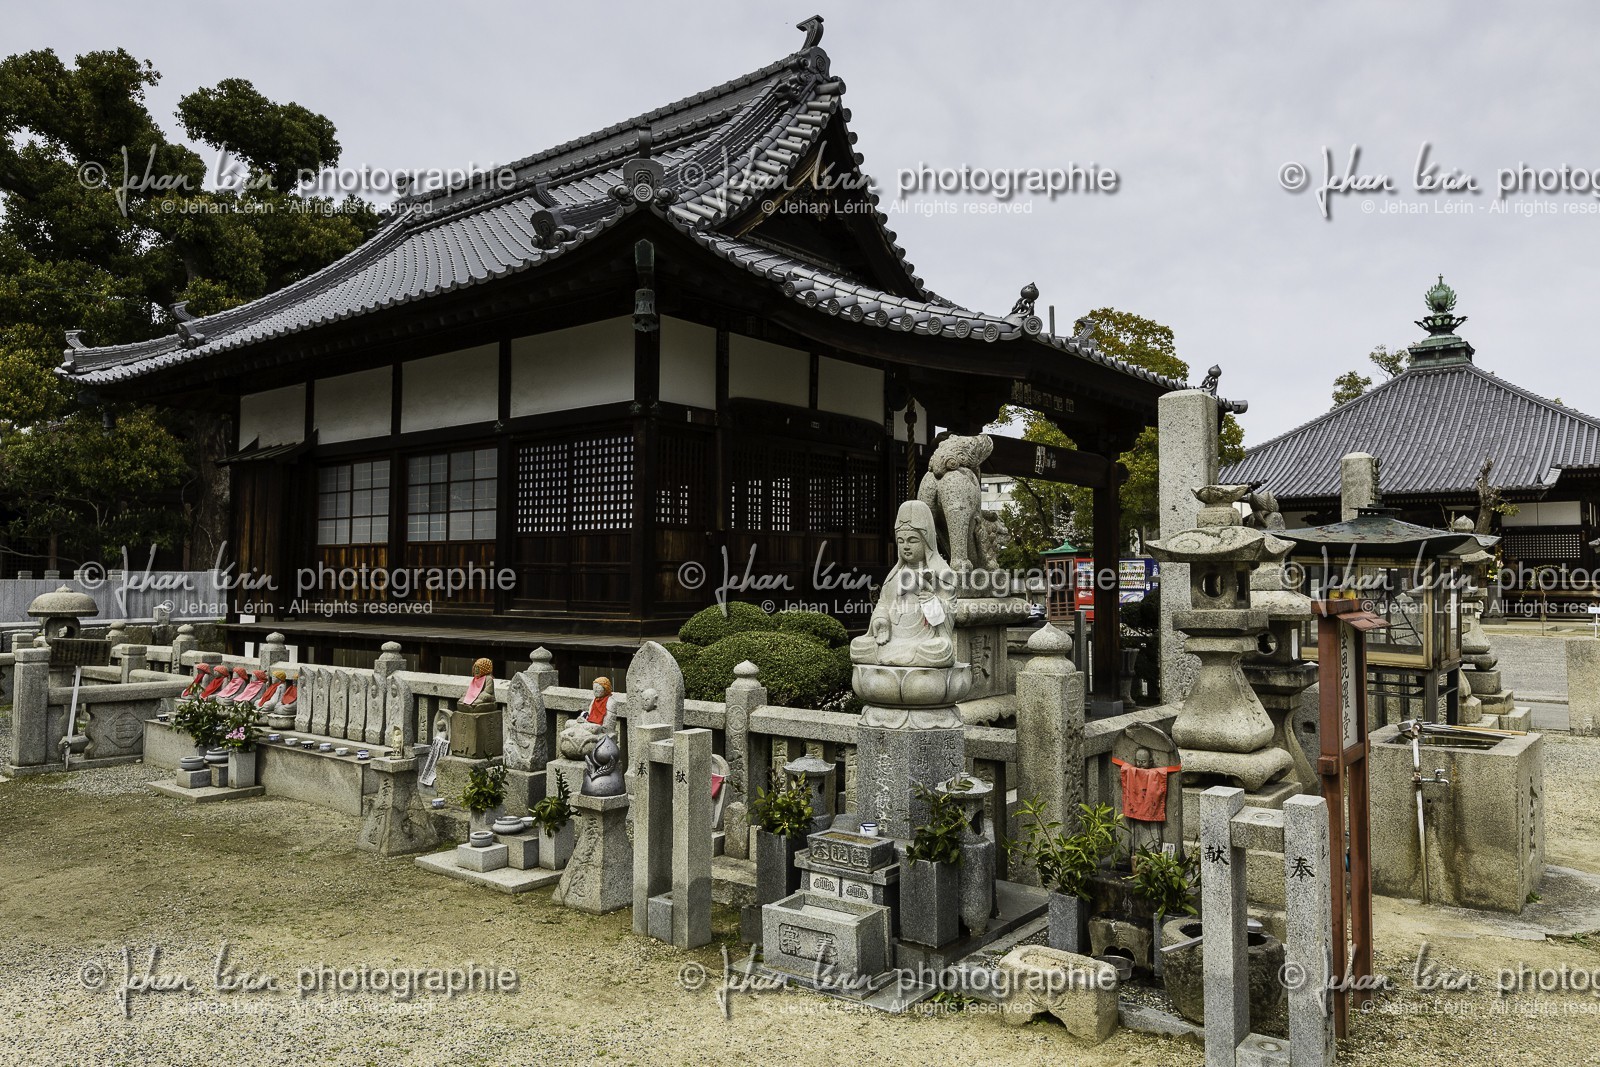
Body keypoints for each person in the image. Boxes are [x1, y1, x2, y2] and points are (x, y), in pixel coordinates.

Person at [849, 499, 958, 668]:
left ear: (926, 541)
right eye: (901, 541)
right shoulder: (894, 576)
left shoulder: (942, 575)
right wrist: (881, 619)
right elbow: (883, 604)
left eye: (912, 540)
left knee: (939, 649)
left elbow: (946, 620)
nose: (906, 546)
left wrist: (930, 600)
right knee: (858, 646)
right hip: (892, 639)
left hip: (923, 641)